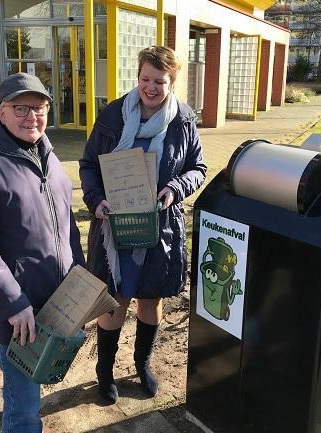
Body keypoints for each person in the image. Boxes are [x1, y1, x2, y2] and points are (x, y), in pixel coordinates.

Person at [0, 72, 85, 433]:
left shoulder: (49, 154)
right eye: (20, 108)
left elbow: (67, 225)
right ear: (0, 112)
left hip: (57, 302)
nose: (32, 117)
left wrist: (81, 282)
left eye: (39, 108)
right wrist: (12, 303)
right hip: (20, 313)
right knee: (23, 409)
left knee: (36, 392)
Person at [79, 46, 207, 404]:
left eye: (159, 81)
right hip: (113, 227)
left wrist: (174, 188)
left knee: (150, 299)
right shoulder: (112, 116)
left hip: (158, 228)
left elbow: (198, 168)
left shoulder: (183, 120)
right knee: (115, 300)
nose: (150, 88)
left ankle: (141, 363)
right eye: (145, 79)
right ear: (137, 77)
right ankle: (104, 373)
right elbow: (89, 164)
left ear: (172, 81)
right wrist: (95, 200)